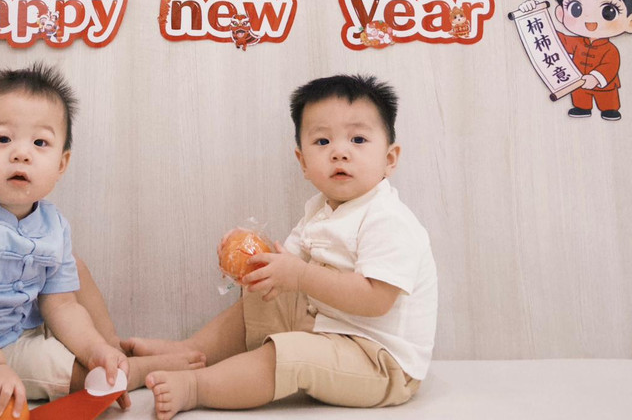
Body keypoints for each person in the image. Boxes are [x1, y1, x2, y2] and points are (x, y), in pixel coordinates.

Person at [125, 74, 437, 419]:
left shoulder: (388, 218)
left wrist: (299, 276)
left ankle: (198, 386)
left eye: (358, 139)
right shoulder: (320, 210)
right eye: (322, 142)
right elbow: (286, 269)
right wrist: (250, 261)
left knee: (290, 352)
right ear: (303, 162)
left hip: (379, 361)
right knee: (262, 297)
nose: (339, 152)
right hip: (326, 328)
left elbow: (376, 299)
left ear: (390, 159)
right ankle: (188, 351)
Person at [0, 64, 203, 419]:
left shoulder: (53, 224)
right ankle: (132, 372)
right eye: (3, 139)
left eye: (40, 143)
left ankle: (110, 351)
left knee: (75, 272)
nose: (21, 153)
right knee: (82, 376)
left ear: (61, 164)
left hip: (24, 329)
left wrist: (94, 347)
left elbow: (62, 306)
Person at [518, 0, 632, 121]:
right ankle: (582, 107)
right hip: (578, 80)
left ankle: (610, 110)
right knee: (580, 95)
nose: (590, 22)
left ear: (631, 22)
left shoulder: (610, 50)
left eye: (608, 11)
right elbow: (554, 40)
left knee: (608, 98)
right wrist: (533, 14)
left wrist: (596, 77)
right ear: (561, 13)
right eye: (576, 8)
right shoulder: (575, 41)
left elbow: (610, 66)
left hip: (604, 85)